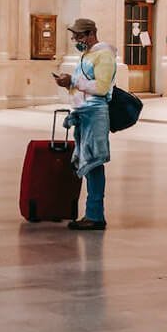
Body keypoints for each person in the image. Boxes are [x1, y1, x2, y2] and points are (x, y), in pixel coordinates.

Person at [53, 17, 116, 231]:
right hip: (84, 113)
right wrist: (68, 82)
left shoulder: (104, 55)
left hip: (95, 114)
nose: (75, 39)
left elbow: (101, 86)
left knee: (94, 163)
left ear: (90, 34)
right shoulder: (87, 56)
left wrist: (73, 81)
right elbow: (83, 86)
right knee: (88, 165)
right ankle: (92, 214)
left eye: (78, 35)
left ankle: (95, 215)